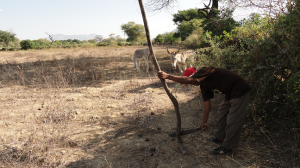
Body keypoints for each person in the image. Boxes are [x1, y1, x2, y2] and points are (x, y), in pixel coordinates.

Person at [157, 66, 251, 155]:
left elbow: (189, 80)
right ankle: (220, 137)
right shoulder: (203, 85)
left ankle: (228, 147)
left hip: (240, 90)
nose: (193, 84)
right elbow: (207, 103)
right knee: (223, 111)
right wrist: (204, 122)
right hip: (230, 94)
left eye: (192, 82)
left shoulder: (205, 70)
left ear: (194, 75)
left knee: (233, 119)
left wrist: (168, 76)